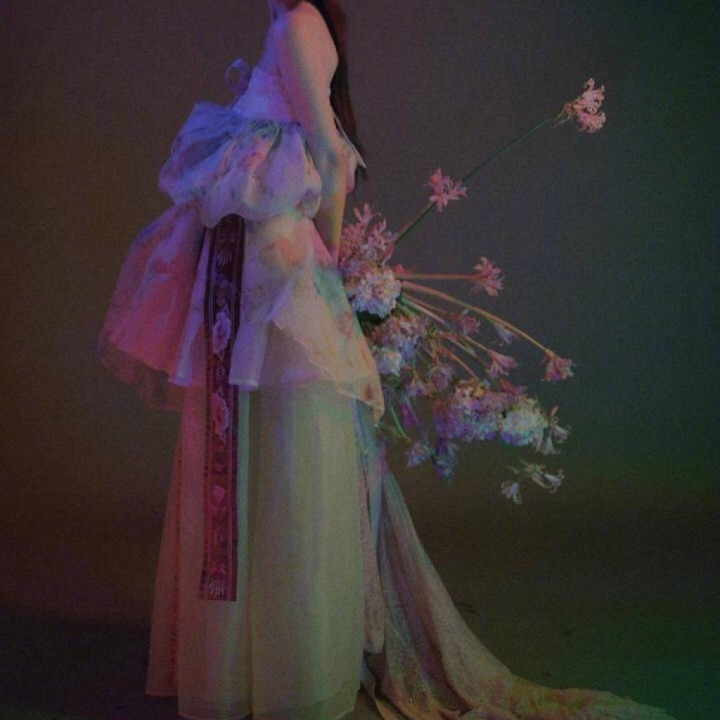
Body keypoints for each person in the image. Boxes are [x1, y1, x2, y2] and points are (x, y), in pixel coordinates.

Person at [97, 2, 679, 719]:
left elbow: (329, 156)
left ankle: (280, 667)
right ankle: (260, 660)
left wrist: (335, 264)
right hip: (256, 281)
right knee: (265, 458)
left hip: (276, 279)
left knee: (278, 458)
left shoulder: (294, 24)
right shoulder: (292, 23)